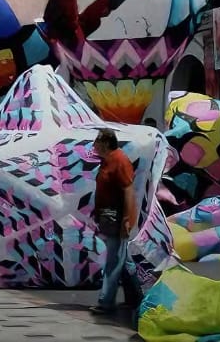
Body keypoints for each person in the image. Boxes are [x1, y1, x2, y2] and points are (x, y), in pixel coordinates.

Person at [90, 128, 140, 316]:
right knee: (123, 259)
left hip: (117, 217)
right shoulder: (108, 160)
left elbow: (128, 191)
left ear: (104, 143)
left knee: (114, 260)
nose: (94, 145)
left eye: (96, 142)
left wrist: (126, 220)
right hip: (108, 215)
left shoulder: (119, 161)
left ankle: (106, 301)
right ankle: (135, 297)